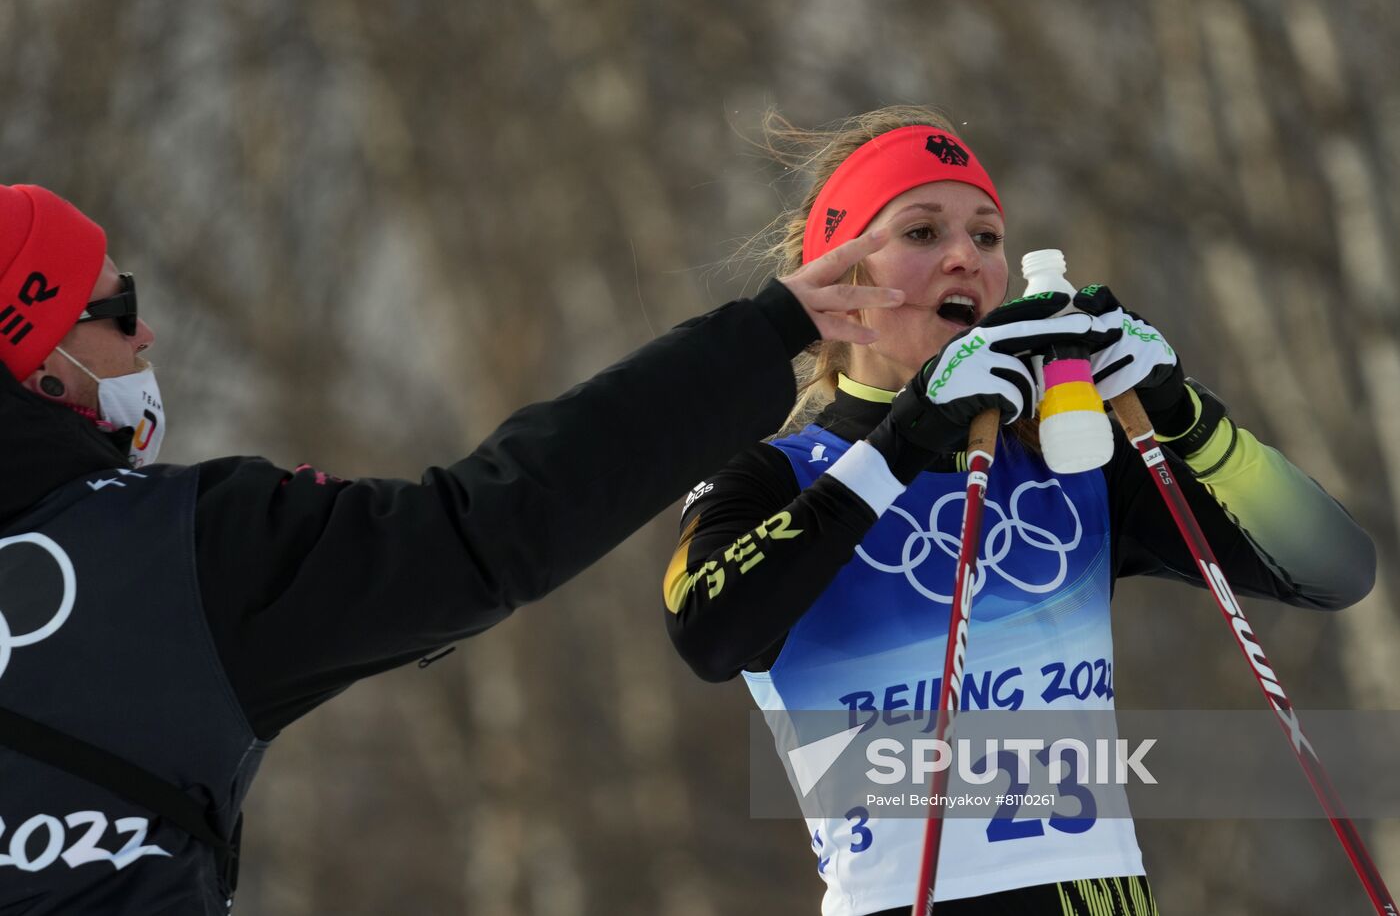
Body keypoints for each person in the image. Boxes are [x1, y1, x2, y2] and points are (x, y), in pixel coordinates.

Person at [0, 182, 910, 915]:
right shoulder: (177, 550)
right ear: (39, 358)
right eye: (118, 310)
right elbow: (484, 528)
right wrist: (764, 335)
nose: (147, 333)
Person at [662, 106, 1376, 915]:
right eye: (923, 232)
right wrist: (906, 440)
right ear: (840, 275)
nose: (966, 255)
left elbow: (1336, 570)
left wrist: (1189, 418)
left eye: (988, 236)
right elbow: (708, 630)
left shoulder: (1067, 456)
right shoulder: (775, 475)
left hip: (1098, 898)